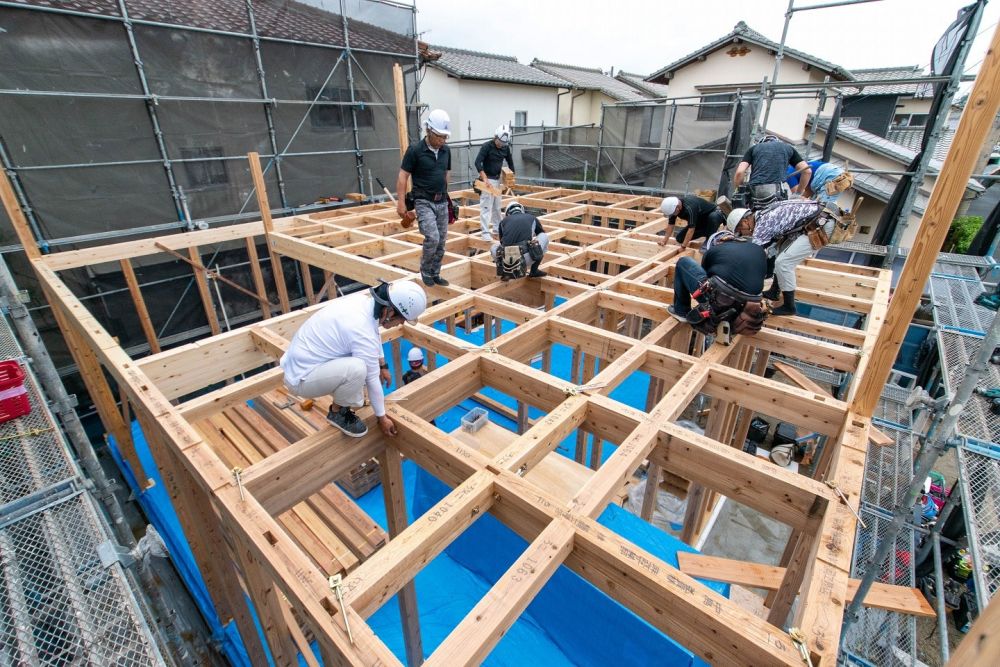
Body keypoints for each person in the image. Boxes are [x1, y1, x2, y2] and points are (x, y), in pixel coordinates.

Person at [280, 280, 427, 438]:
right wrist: (382, 417)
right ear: (390, 312)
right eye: (402, 319)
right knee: (358, 369)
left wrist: (382, 365)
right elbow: (372, 378)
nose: (402, 323)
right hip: (302, 379)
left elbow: (373, 332)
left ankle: (344, 401)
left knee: (361, 364)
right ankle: (338, 413)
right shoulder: (361, 329)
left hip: (299, 362)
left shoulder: (364, 303)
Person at [730, 200, 843, 316]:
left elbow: (753, 257)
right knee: (780, 253)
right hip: (816, 219)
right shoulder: (761, 214)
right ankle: (774, 291)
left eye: (740, 232)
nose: (744, 235)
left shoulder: (762, 224)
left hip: (821, 224)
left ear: (745, 222)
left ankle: (789, 306)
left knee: (783, 263)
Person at [669, 225, 768, 337]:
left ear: (716, 243)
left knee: (683, 262)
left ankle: (681, 311)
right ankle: (729, 319)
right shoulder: (758, 249)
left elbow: (706, 277)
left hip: (722, 300)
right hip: (750, 306)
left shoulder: (714, 250)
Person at [397, 108, 452, 287]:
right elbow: (403, 176)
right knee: (433, 238)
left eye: (445, 137)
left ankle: (435, 272)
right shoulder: (415, 150)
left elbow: (446, 174)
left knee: (442, 241)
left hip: (442, 201)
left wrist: (447, 196)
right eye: (439, 136)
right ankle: (425, 269)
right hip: (423, 201)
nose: (442, 140)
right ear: (428, 130)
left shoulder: (446, 151)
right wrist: (400, 203)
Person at [734, 135, 811, 210]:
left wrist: (740, 192)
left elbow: (740, 172)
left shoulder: (753, 149)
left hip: (754, 191)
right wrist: (797, 194)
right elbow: (807, 171)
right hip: (776, 192)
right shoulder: (788, 148)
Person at [475, 124, 515, 240]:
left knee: (497, 207)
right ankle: (485, 232)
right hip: (487, 181)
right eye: (499, 142)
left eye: (503, 143)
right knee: (486, 206)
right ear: (495, 137)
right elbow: (477, 163)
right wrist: (484, 178)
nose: (501, 144)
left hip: (497, 180)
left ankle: (497, 228)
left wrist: (511, 177)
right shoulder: (487, 146)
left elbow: (510, 162)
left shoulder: (505, 148)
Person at [491, 201, 549, 281]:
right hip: (526, 259)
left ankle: (506, 272)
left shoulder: (503, 222)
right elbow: (540, 233)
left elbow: (502, 243)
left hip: (506, 260)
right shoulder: (531, 217)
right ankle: (534, 271)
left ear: (507, 213)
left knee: (494, 247)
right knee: (543, 236)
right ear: (521, 210)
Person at [657, 195, 726, 246]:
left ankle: (710, 239)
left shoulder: (690, 207)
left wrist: (683, 246)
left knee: (713, 217)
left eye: (673, 213)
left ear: (677, 208)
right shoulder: (673, 209)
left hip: (714, 214)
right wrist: (664, 241)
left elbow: (691, 229)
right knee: (680, 238)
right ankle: (708, 231)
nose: (673, 215)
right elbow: (671, 224)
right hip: (700, 220)